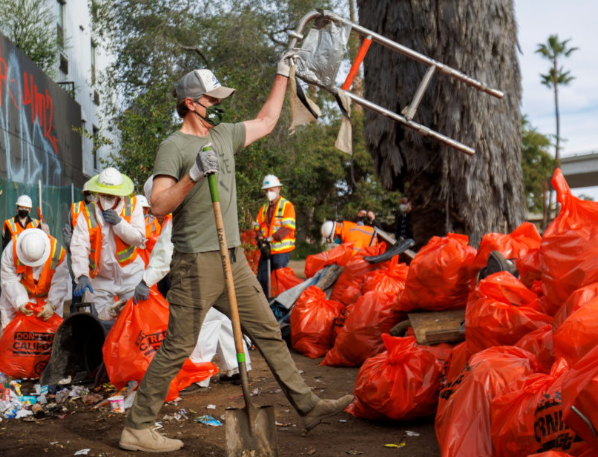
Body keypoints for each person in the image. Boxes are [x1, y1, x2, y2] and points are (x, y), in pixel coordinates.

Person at [120, 63, 352, 452]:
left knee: (268, 332)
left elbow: (267, 119)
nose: (218, 105)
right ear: (191, 104)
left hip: (235, 260)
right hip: (196, 263)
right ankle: (138, 427)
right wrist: (192, 175)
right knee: (178, 346)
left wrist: (281, 73)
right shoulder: (173, 147)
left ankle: (307, 406)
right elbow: (158, 205)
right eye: (212, 100)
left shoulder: (225, 135)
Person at [133, 201, 252, 394]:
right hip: (222, 270)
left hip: (199, 276)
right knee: (222, 318)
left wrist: (146, 281)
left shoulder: (176, 217)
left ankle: (199, 376)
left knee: (200, 321)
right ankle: (239, 368)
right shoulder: (206, 208)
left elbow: (164, 254)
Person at [70, 167, 145, 324]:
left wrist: (119, 223)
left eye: (110, 196)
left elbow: (138, 239)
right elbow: (79, 246)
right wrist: (82, 275)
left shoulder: (133, 205)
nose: (106, 198)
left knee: (136, 319)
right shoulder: (87, 213)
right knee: (96, 321)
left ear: (119, 194)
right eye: (103, 194)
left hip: (130, 274)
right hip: (100, 277)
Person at [0, 228, 71, 330]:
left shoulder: (57, 252)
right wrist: (21, 301)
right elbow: (9, 279)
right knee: (9, 327)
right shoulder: (11, 250)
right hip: (18, 292)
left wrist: (52, 304)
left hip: (48, 294)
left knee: (51, 328)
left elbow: (60, 281)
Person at [253, 174, 296, 298]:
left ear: (278, 189)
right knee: (262, 278)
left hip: (281, 251)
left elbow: (287, 227)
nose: (268, 193)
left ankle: (281, 304)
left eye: (271, 190)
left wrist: (269, 239)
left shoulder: (287, 206)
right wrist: (261, 240)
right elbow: (257, 227)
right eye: (266, 190)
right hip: (266, 249)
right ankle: (264, 304)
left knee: (281, 280)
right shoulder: (264, 208)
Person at [63, 182, 94, 252]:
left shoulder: (99, 209)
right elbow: (68, 229)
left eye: (92, 193)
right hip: (78, 251)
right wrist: (71, 245)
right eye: (88, 193)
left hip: (95, 251)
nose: (90, 195)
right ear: (84, 193)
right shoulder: (75, 208)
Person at [136, 195, 162, 267]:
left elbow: (159, 237)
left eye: (143, 208)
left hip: (150, 258)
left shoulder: (153, 221)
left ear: (146, 209)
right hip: (134, 258)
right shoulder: (129, 221)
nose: (141, 210)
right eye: (139, 208)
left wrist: (148, 242)